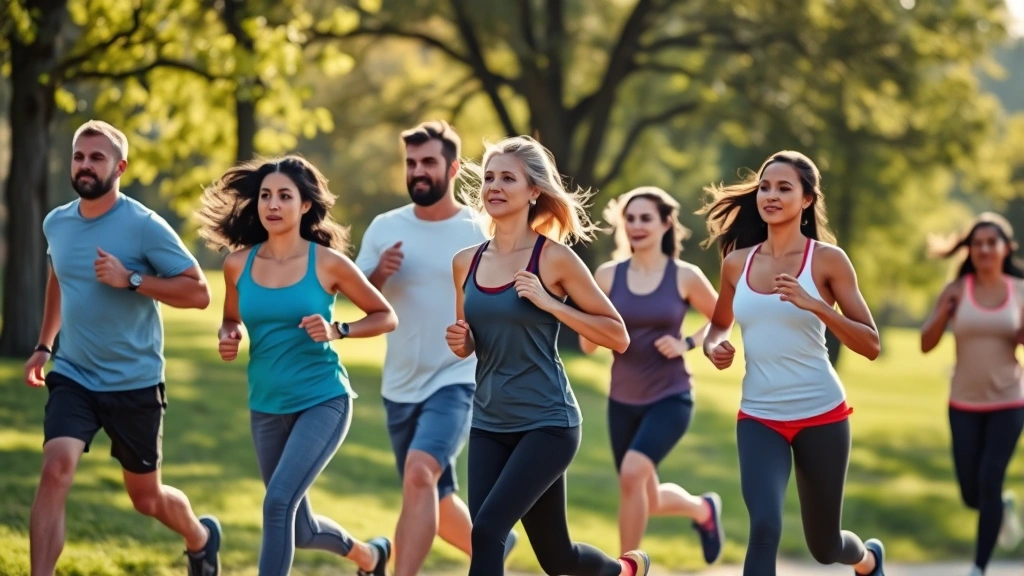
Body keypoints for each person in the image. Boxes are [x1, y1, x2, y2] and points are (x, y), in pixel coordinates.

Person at [24, 120, 223, 576]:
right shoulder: (57, 222)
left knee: (146, 498)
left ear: (120, 167)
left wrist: (131, 279)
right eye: (79, 156)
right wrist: (44, 344)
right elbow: (59, 279)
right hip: (74, 372)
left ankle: (200, 538)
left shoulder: (144, 226)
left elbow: (199, 293)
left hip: (134, 381)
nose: (85, 165)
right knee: (55, 469)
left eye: (97, 157)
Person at [447, 135, 651, 576]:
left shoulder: (554, 259)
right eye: (489, 178)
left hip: (548, 423)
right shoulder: (465, 262)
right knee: (557, 558)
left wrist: (550, 303)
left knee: (487, 532)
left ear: (534, 191)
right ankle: (623, 571)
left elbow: (618, 336)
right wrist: (462, 341)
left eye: (508, 178)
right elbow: (473, 340)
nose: (494, 186)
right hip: (489, 422)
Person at [197, 155, 397, 576]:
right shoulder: (238, 264)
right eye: (265, 196)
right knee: (300, 529)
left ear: (305, 205)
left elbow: (385, 315)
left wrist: (338, 330)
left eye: (284, 196)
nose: (272, 204)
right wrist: (229, 335)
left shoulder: (326, 263)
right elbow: (231, 318)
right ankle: (371, 557)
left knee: (277, 504)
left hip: (322, 400)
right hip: (266, 405)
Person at [697, 150, 886, 576]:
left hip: (821, 414)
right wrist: (715, 347)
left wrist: (816, 305)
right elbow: (718, 326)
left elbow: (871, 344)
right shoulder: (736, 263)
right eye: (765, 187)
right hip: (759, 416)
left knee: (825, 546)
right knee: (764, 527)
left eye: (784, 188)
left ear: (806, 199)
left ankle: (868, 559)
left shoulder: (828, 260)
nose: (771, 195)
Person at [353, 120, 517, 576]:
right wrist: (380, 273)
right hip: (399, 383)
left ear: (453, 167)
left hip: (458, 376)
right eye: (411, 163)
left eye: (428, 162)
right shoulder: (385, 227)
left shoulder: (478, 227)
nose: (418, 171)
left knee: (419, 473)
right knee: (434, 497)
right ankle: (496, 547)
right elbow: (358, 296)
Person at [579, 186, 724, 563]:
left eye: (646, 218)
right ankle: (702, 510)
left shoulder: (684, 276)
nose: (636, 226)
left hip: (670, 396)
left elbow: (722, 318)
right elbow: (587, 345)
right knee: (646, 495)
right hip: (622, 399)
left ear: (665, 223)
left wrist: (687, 343)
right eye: (630, 218)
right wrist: (588, 323)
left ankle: (627, 568)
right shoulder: (607, 276)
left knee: (632, 475)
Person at [920, 213, 1024, 576]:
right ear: (969, 250)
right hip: (963, 402)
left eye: (991, 242)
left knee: (990, 479)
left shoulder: (1019, 290)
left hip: (1009, 401)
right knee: (971, 493)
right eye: (976, 243)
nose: (983, 249)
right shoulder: (956, 290)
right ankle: (1002, 507)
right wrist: (943, 315)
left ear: (1006, 248)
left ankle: (978, 568)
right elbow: (925, 343)